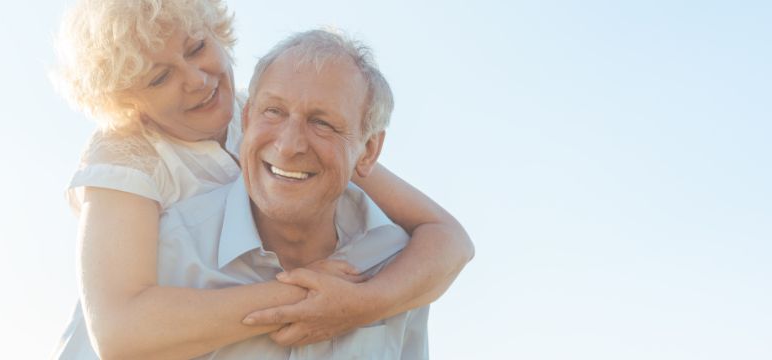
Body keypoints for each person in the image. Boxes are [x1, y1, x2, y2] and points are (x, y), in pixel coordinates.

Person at [50, 0, 474, 359]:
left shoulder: (264, 116)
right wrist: (303, 297)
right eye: (159, 77)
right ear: (128, 99)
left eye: (197, 48)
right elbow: (120, 331)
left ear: (218, 32)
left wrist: (363, 303)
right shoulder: (124, 157)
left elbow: (448, 238)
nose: (196, 79)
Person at [153, 28, 430, 359]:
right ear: (247, 118)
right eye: (274, 111)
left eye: (323, 123)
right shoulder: (168, 254)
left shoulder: (398, 264)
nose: (289, 146)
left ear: (369, 150)